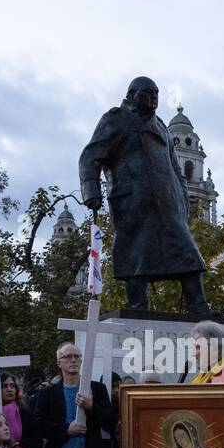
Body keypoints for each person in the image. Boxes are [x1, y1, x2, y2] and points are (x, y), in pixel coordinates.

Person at [79, 75, 213, 315]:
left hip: (167, 202)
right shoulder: (116, 119)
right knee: (135, 254)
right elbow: (90, 156)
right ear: (132, 95)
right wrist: (91, 191)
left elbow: (175, 167)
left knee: (187, 252)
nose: (153, 97)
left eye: (156, 93)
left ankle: (198, 305)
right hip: (132, 200)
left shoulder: (161, 124)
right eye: (147, 92)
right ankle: (138, 306)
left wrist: (182, 198)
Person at [1, 373, 43, 448]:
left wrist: (16, 447)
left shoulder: (24, 413)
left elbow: (36, 442)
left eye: (12, 386)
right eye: (5, 386)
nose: (9, 389)